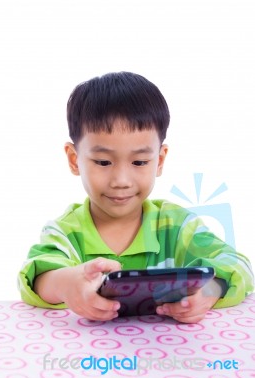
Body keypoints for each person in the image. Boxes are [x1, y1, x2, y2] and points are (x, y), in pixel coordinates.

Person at [18, 72, 254, 323]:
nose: (121, 180)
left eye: (140, 161)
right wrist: (67, 285)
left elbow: (239, 265)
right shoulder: (65, 232)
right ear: (74, 159)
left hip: (169, 357)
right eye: (103, 161)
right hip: (86, 358)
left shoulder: (175, 225)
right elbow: (38, 275)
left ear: (159, 160)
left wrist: (209, 292)